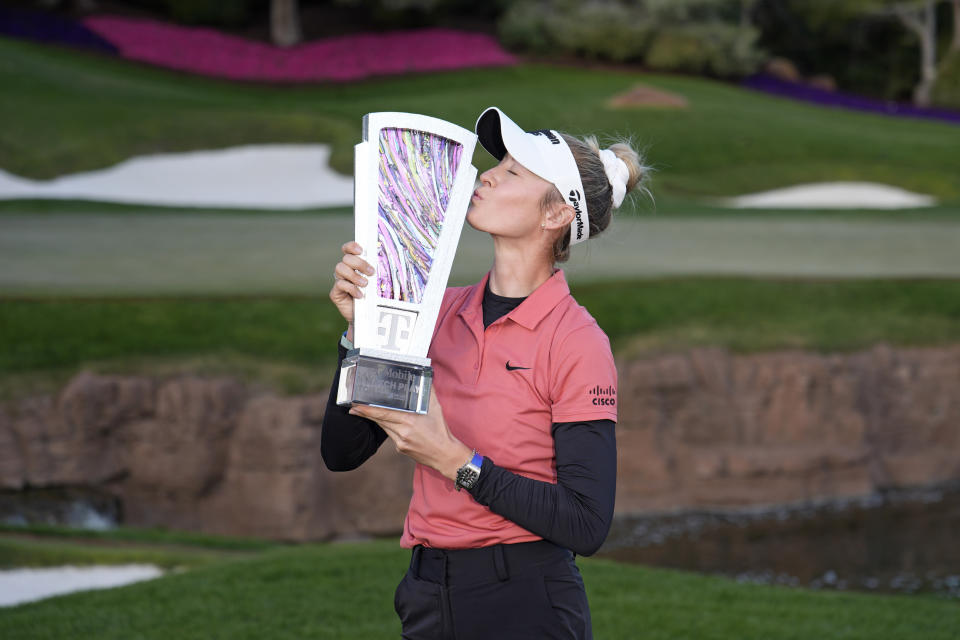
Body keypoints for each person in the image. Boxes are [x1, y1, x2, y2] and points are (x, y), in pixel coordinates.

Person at [321, 106, 649, 640]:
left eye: (513, 172)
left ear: (555, 215)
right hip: (428, 594)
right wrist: (362, 333)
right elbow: (343, 452)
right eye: (497, 163)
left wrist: (456, 461)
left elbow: (586, 522)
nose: (487, 174)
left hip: (524, 599)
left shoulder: (576, 341)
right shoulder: (436, 311)